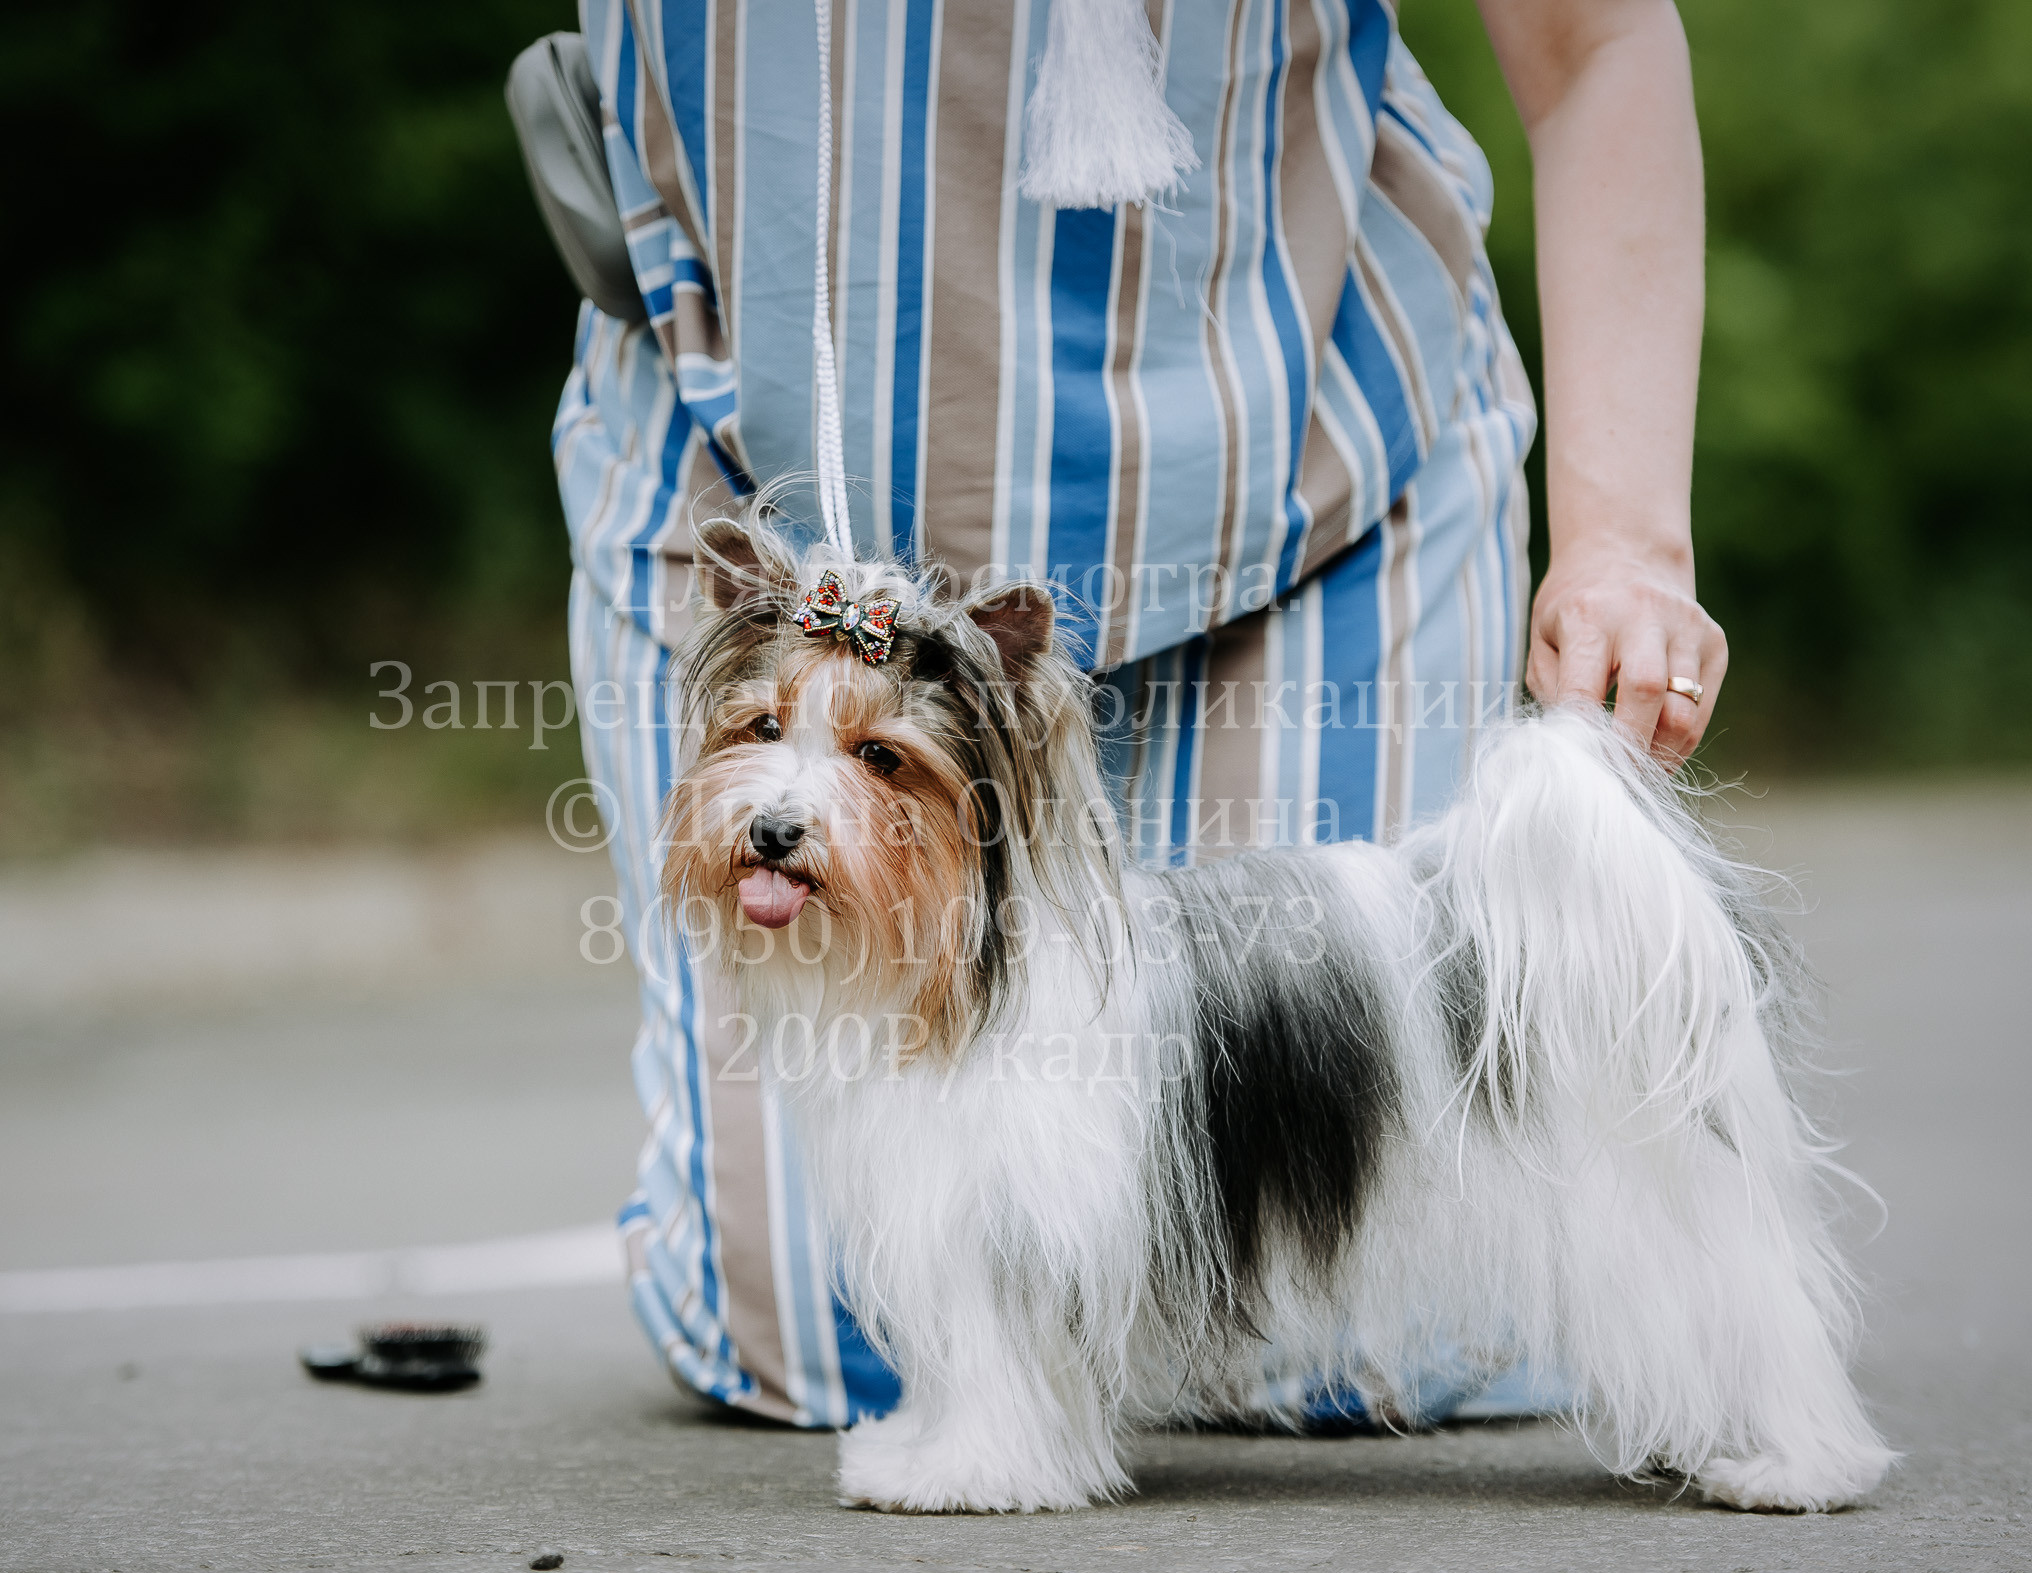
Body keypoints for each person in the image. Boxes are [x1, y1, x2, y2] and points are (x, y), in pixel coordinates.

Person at [556, 0, 1722, 1425]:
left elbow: (1595, 44)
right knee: (841, 1344)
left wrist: (1623, 541)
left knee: (1355, 1337)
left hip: (1304, 466)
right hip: (747, 456)